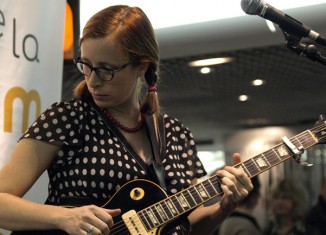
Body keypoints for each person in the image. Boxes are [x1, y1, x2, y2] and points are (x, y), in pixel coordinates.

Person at [0, 5, 253, 235]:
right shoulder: (67, 120)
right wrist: (64, 217)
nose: (92, 79)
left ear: (142, 66)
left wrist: (224, 207)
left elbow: (187, 224)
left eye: (106, 69)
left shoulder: (176, 134)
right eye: (86, 65)